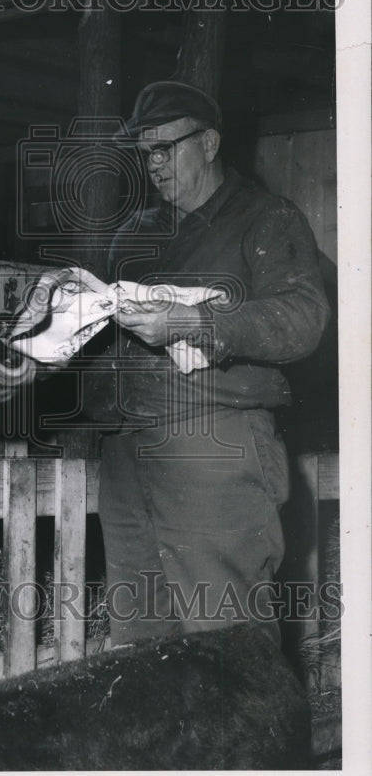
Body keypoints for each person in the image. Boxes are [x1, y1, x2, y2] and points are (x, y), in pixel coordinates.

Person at [87, 80, 330, 646]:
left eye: (166, 148)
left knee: (228, 644)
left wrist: (196, 323)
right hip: (128, 453)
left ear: (212, 142)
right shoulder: (134, 235)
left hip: (215, 451)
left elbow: (304, 319)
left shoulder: (266, 219)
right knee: (140, 644)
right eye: (145, 152)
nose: (153, 164)